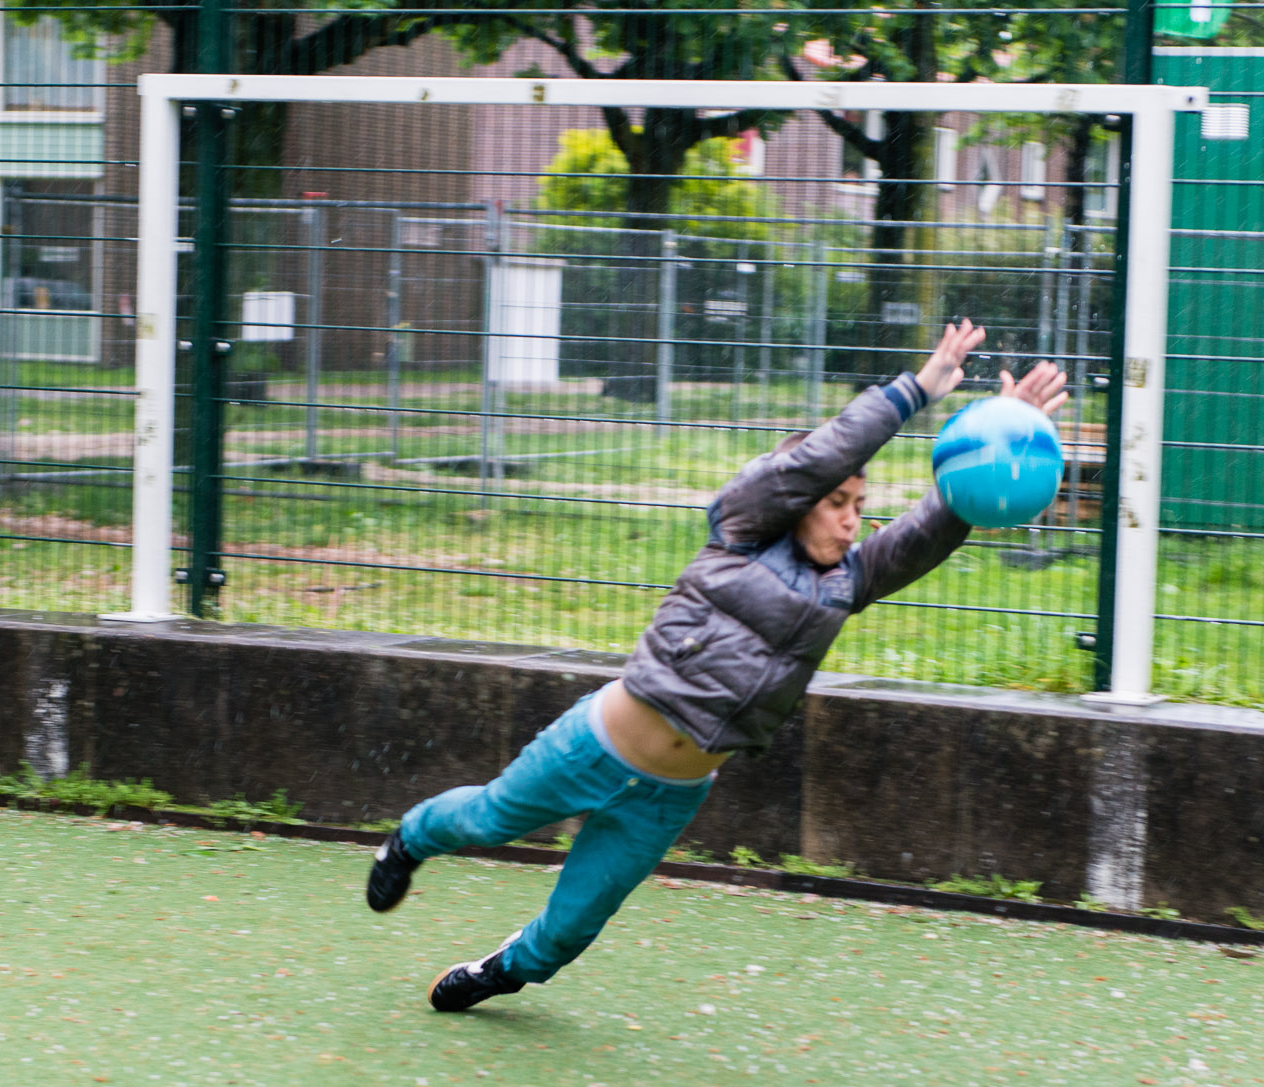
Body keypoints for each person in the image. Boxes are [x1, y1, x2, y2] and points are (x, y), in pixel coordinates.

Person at [366, 320, 1069, 1012]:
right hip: (596, 743)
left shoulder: (848, 582)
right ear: (797, 506)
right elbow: (813, 460)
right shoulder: (740, 531)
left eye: (861, 506)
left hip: (670, 792)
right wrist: (916, 390)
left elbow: (926, 532)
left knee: (573, 928)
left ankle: (501, 971)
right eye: (836, 503)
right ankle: (408, 841)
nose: (853, 519)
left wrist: (1004, 438)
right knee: (486, 820)